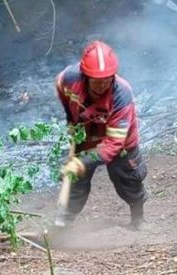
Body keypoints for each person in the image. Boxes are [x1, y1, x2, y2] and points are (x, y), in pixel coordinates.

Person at [54, 40, 148, 229]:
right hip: (87, 134)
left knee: (129, 179)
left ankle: (138, 219)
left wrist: (81, 162)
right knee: (76, 181)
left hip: (120, 144)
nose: (103, 84)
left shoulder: (122, 94)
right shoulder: (68, 79)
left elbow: (113, 145)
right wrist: (72, 122)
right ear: (85, 75)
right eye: (97, 80)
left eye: (107, 79)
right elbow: (62, 91)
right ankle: (64, 223)